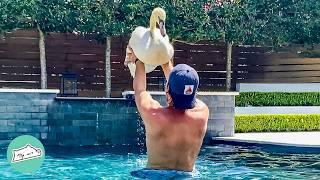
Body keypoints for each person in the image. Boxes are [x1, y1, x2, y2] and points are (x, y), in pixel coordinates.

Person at [126, 48, 209, 178]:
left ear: (167, 89)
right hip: (187, 177)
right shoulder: (203, 112)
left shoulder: (153, 114)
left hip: (154, 176)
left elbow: (140, 90)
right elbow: (182, 90)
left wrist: (139, 59)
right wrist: (165, 61)